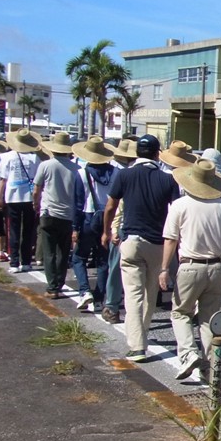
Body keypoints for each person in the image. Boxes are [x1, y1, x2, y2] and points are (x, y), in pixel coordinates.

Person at [102, 135, 181, 362]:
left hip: (131, 240)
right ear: (158, 153)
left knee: (133, 294)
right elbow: (175, 214)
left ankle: (137, 345)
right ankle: (142, 334)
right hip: (157, 242)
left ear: (137, 152)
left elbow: (110, 206)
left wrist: (107, 231)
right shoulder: (168, 179)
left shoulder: (124, 174)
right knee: (150, 293)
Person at [159, 160, 221, 381]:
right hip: (217, 266)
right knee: (208, 319)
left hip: (189, 265)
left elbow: (170, 240)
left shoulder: (180, 205)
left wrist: (164, 268)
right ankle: (209, 368)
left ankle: (188, 354)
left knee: (180, 312)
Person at [70, 136, 117, 312]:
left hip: (89, 218)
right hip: (108, 217)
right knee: (103, 260)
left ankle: (84, 291)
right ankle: (99, 298)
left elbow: (78, 203)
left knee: (79, 257)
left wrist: (75, 228)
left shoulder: (82, 173)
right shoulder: (115, 173)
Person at [33, 132, 80, 298]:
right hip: (68, 214)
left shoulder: (46, 165)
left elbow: (37, 189)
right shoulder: (76, 169)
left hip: (48, 211)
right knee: (63, 251)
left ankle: (52, 286)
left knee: (49, 251)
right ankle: (59, 283)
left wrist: (36, 204)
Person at [0, 129, 43, 273]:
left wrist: (0, 198)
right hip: (29, 197)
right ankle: (26, 261)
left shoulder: (7, 157)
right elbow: (38, 182)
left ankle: (14, 262)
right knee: (28, 231)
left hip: (12, 197)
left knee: (14, 230)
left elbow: (3, 180)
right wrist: (38, 200)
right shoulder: (35, 158)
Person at [100, 138, 137, 324]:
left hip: (124, 229)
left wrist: (111, 230)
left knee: (115, 270)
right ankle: (135, 313)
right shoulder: (156, 175)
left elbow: (114, 207)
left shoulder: (123, 176)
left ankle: (112, 307)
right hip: (146, 232)